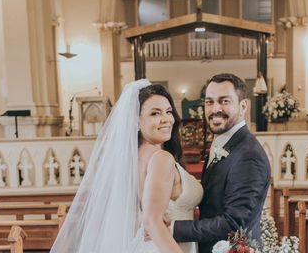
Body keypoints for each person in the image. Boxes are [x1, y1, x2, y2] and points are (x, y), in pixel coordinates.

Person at [50, 80, 203, 253]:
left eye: (168, 112)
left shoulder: (134, 157)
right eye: (155, 113)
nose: (166, 119)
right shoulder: (161, 158)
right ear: (136, 122)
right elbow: (152, 222)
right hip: (166, 246)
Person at [172, 73, 271, 253]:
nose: (215, 109)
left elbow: (232, 223)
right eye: (209, 102)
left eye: (224, 101)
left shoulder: (248, 155)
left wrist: (173, 228)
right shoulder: (224, 143)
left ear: (243, 106)